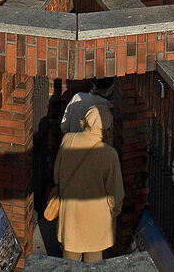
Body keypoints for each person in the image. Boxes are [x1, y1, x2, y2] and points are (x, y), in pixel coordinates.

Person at [54, 104, 124, 262]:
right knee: (94, 265)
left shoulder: (68, 140)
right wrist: (112, 213)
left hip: (70, 215)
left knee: (69, 264)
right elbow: (116, 194)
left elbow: (56, 176)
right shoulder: (109, 154)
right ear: (106, 127)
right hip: (97, 220)